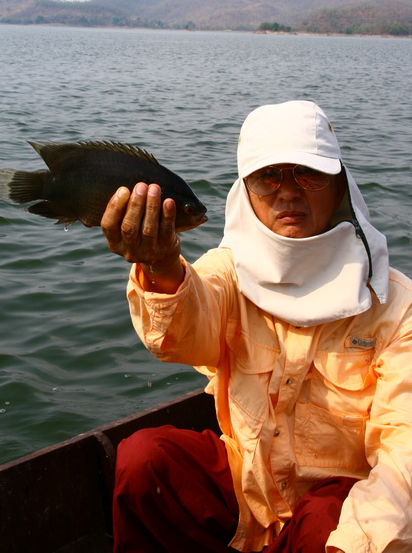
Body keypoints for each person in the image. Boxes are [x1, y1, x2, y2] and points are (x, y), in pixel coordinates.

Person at [101, 100, 412, 553]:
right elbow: (184, 333)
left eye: (308, 173)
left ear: (339, 186)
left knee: (329, 519)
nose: (287, 192)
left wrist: (355, 542)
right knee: (143, 458)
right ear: (246, 190)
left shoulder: (395, 305)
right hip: (249, 490)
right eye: (269, 177)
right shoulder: (231, 271)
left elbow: (404, 451)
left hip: (334, 518)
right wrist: (163, 266)